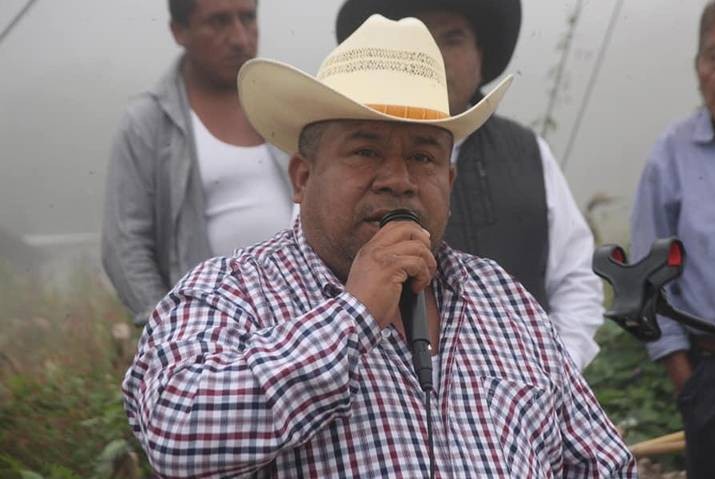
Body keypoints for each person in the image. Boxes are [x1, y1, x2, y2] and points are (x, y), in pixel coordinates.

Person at [122, 14, 634, 478]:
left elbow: (604, 464)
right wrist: (355, 313)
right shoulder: (229, 291)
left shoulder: (503, 301)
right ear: (303, 177)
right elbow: (176, 433)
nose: (398, 180)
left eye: (423, 157)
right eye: (365, 151)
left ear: (449, 182)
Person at [335, 0, 604, 370]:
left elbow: (576, 277)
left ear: (481, 57)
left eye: (452, 39)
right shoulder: (340, 161)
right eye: (419, 38)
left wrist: (555, 370)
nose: (433, 55)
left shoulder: (527, 151)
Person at [631, 0, 715, 476]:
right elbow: (645, 285)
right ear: (697, 67)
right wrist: (688, 383)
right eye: (713, 57)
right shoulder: (671, 156)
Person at [102, 0, 293, 325]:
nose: (239, 38)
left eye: (248, 18)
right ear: (179, 31)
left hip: (303, 323)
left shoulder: (288, 104)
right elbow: (125, 244)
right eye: (218, 22)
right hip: (211, 334)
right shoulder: (149, 122)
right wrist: (171, 326)